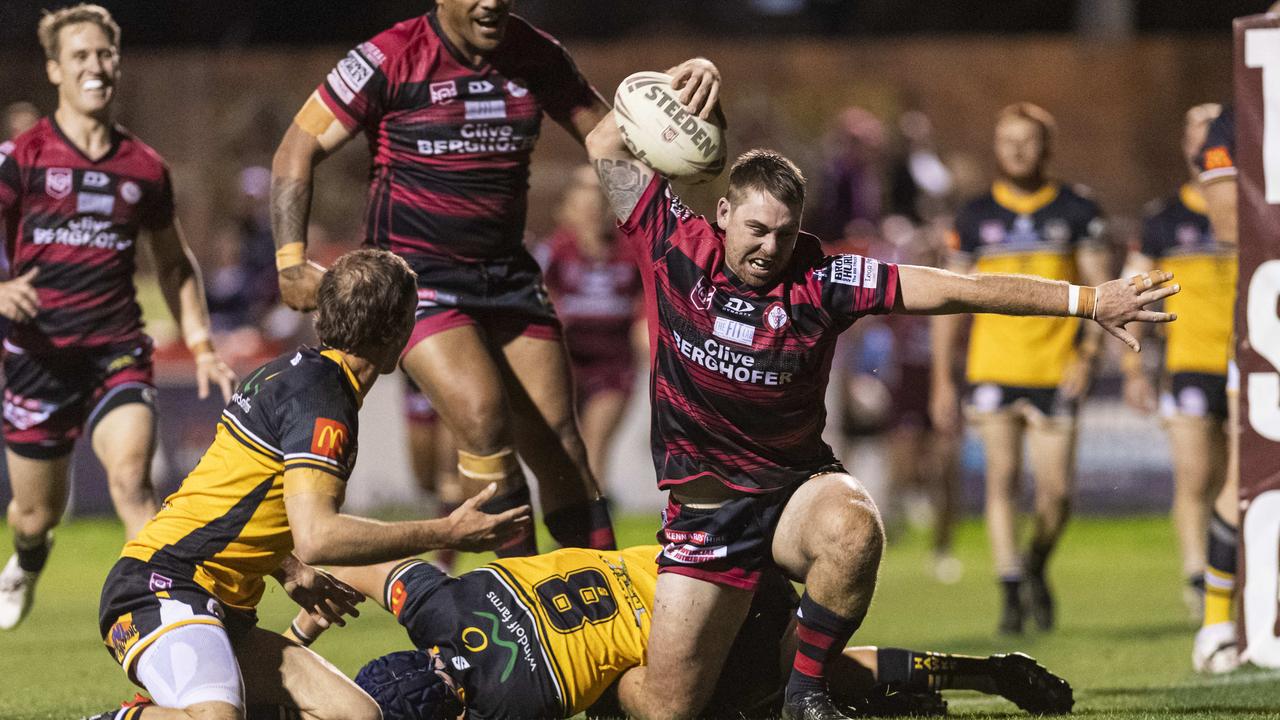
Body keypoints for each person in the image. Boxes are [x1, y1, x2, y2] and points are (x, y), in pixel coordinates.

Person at [585, 62, 1177, 719]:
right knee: (671, 709)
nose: (769, 248)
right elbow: (603, 143)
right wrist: (672, 81)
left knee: (853, 527)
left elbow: (959, 288)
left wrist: (1088, 299)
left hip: (789, 492)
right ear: (723, 212)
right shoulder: (671, 242)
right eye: (756, 231)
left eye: (785, 233)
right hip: (706, 515)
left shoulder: (825, 276)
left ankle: (808, 700)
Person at [87, 249, 532, 720]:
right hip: (162, 587)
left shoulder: (302, 376)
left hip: (222, 608)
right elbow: (319, 536)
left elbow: (235, 495)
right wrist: (447, 531)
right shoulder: (321, 399)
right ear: (397, 330)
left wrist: (289, 570)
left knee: (356, 716)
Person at [270, 0, 615, 558]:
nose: (492, 2)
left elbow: (612, 141)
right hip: (416, 280)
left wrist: (676, 114)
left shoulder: (536, 55)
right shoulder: (390, 57)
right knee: (484, 420)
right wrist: (289, 260)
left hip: (507, 277)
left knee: (564, 448)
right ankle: (529, 617)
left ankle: (608, 600)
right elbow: (296, 148)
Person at [0, 4, 237, 631]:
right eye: (79, 56)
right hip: (37, 361)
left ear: (118, 64)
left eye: (104, 54)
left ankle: (169, 612)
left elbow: (176, 264)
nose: (94, 66)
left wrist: (202, 342)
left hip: (116, 353)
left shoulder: (145, 168)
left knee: (132, 481)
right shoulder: (20, 158)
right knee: (34, 515)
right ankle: (26, 559)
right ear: (55, 69)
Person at [285, 545, 1074, 719]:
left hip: (705, 620)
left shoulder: (508, 708)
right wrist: (316, 595)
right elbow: (383, 567)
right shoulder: (438, 608)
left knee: (663, 710)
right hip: (711, 565)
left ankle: (918, 700)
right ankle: (984, 671)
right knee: (804, 675)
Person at [930, 103, 1112, 636]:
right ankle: (1010, 588)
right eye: (1007, 140)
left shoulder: (1079, 211)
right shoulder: (973, 215)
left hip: (1057, 369)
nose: (1016, 150)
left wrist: (1088, 355)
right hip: (994, 369)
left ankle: (1034, 563)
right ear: (996, 144)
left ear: (1047, 148)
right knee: (1001, 480)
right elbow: (948, 301)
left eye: (1027, 141)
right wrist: (944, 378)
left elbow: (1102, 296)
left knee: (1056, 494)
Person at [1123, 104, 1234, 621]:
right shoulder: (1164, 218)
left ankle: (1234, 577)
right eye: (1197, 130)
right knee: (1194, 476)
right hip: (1189, 363)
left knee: (1241, 480)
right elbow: (1131, 292)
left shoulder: (1253, 206)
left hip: (1249, 363)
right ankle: (1196, 576)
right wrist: (1131, 369)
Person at [1181, 103, 1245, 674]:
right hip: (1257, 334)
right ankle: (1216, 621)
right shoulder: (1239, 115)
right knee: (1238, 473)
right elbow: (1227, 223)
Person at [537, 165, 643, 485]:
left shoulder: (630, 251)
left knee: (595, 445)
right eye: (584, 191)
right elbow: (535, 298)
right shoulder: (554, 251)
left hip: (614, 363)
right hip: (566, 361)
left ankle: (594, 527)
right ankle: (573, 522)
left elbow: (647, 306)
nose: (592, 201)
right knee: (567, 447)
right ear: (569, 204)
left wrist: (649, 343)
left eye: (599, 193)